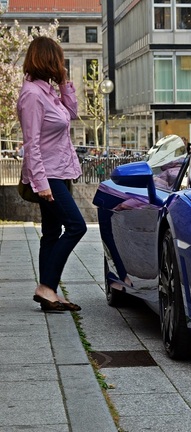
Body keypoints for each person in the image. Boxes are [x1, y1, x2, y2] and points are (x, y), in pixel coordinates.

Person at [18, 36, 86, 312]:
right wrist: (41, 183)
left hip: (60, 171)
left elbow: (71, 113)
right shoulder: (32, 95)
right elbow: (30, 142)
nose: (62, 64)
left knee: (51, 232)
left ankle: (50, 295)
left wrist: (64, 83)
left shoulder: (48, 93)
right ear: (48, 60)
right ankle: (46, 287)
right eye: (59, 59)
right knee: (76, 226)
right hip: (48, 176)